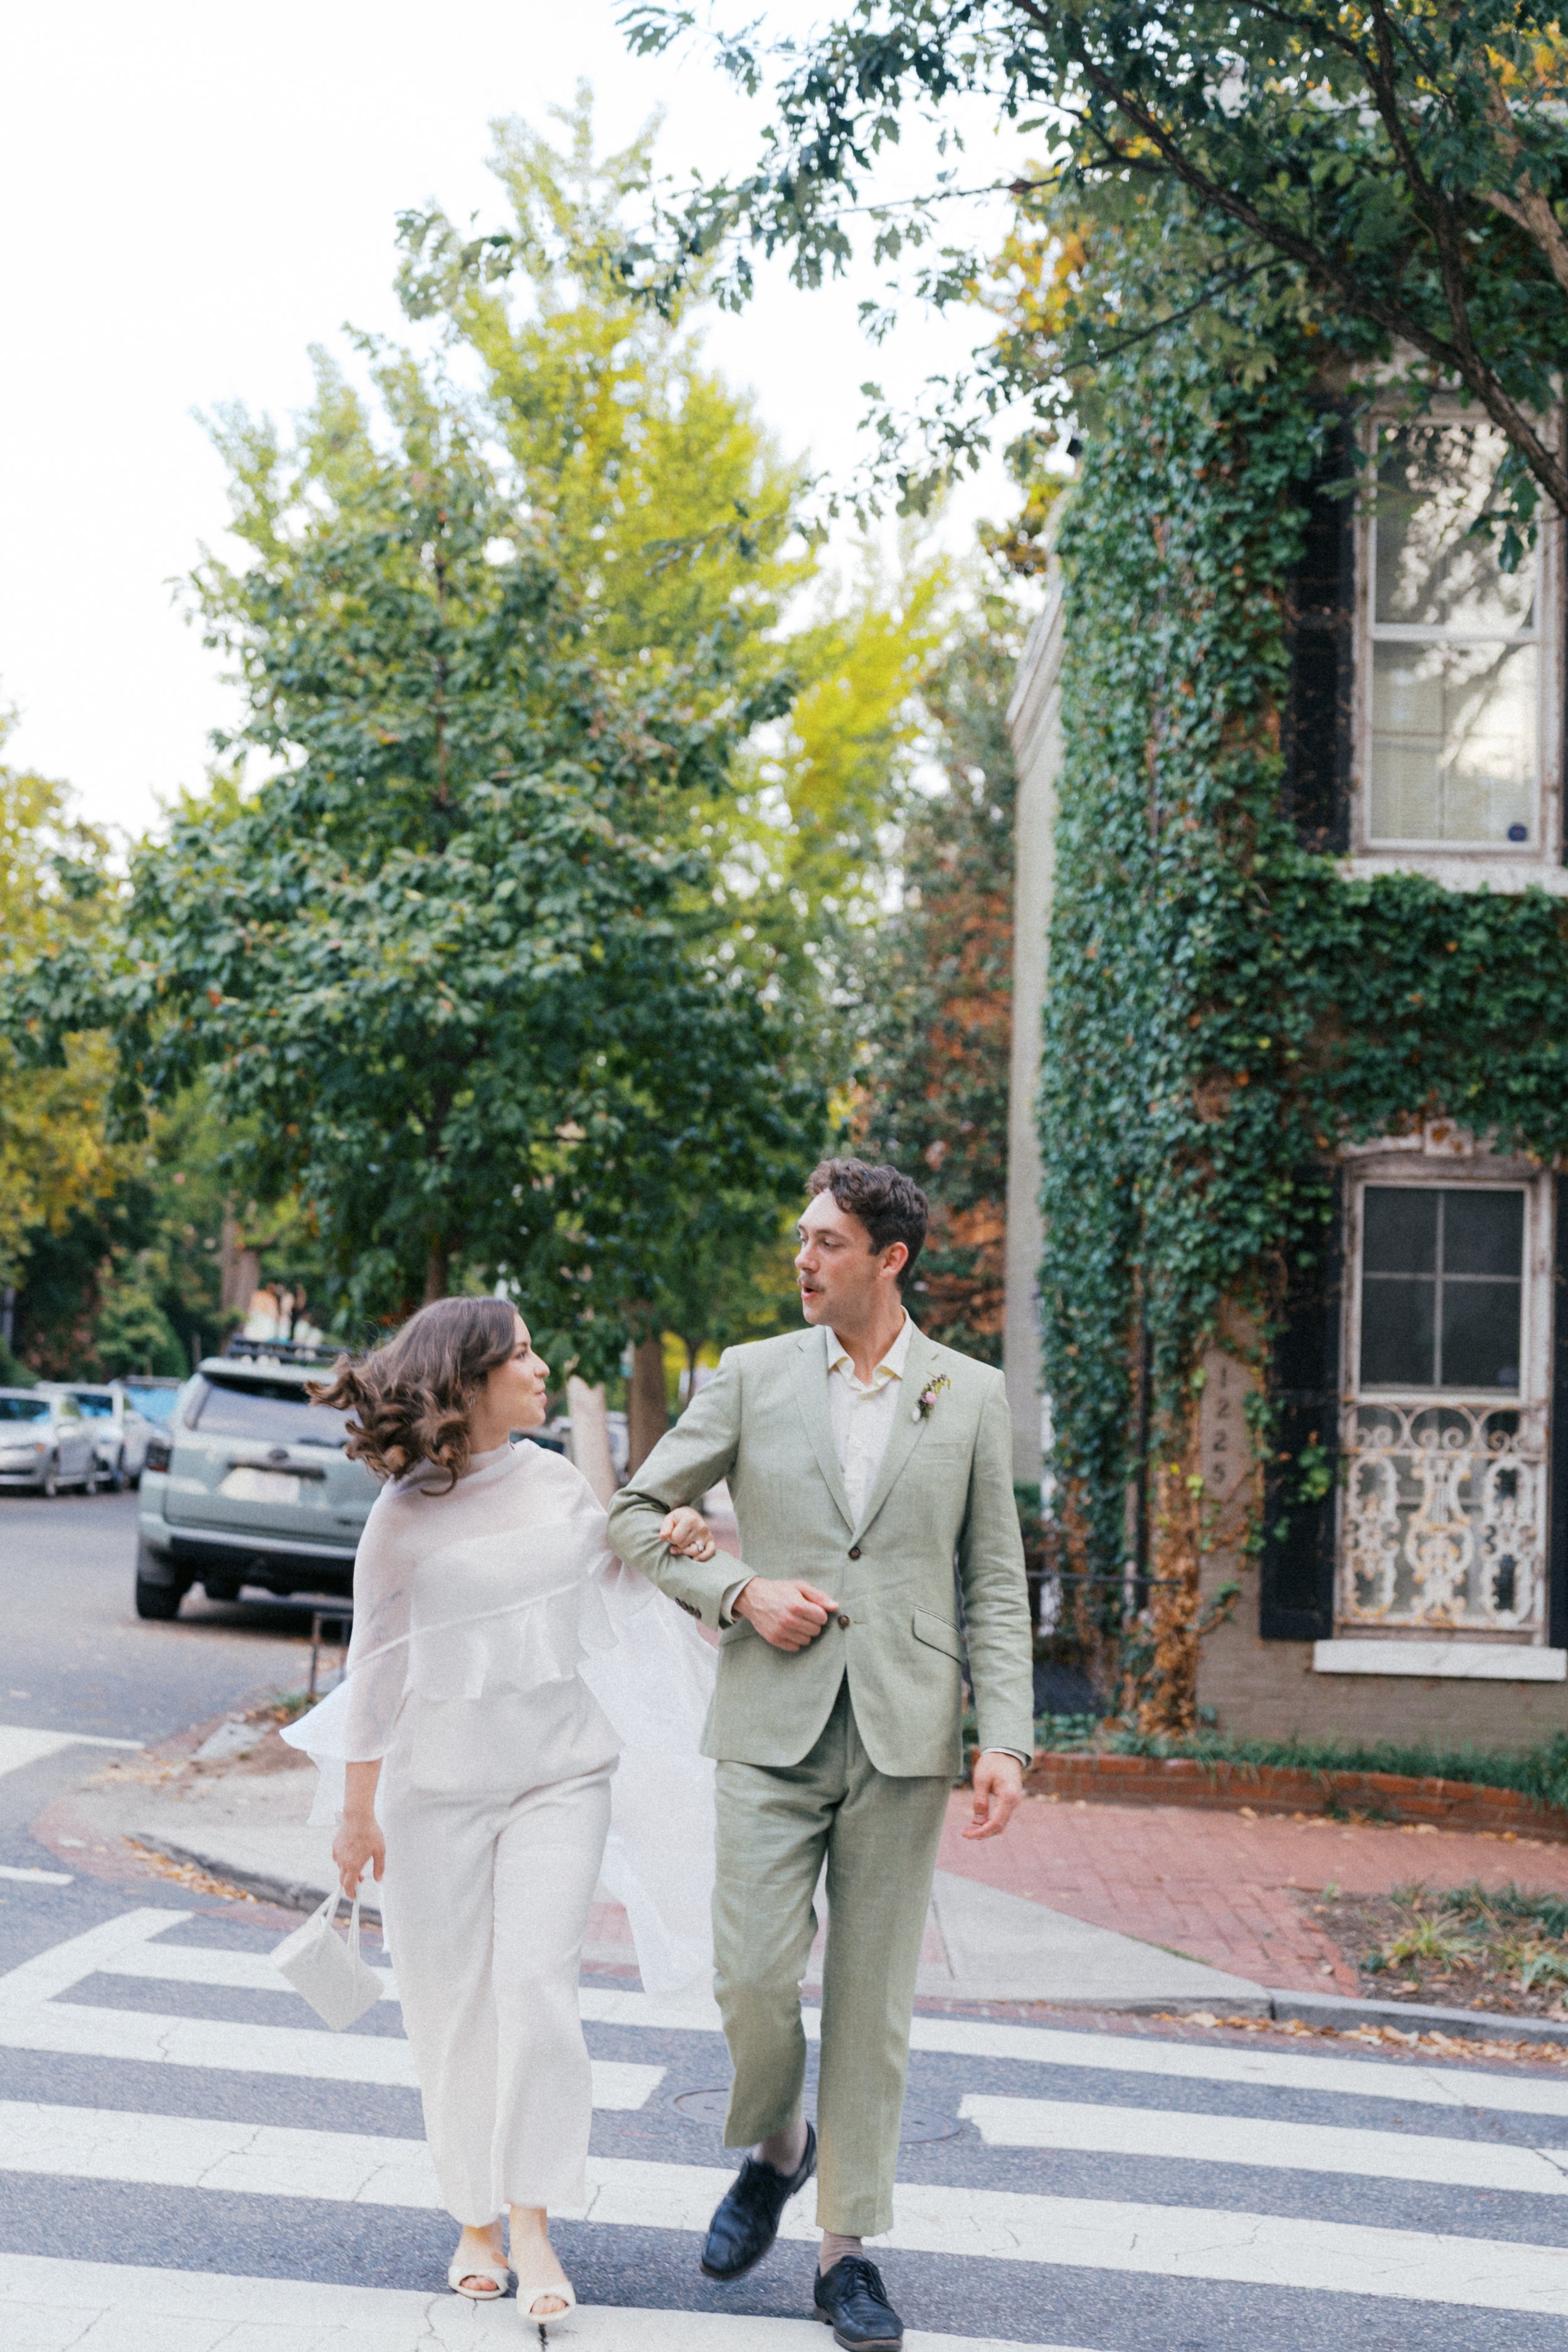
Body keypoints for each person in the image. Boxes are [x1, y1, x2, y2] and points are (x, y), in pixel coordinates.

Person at [607, 1159, 1034, 2351]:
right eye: (801, 1237)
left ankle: (846, 2253)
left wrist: (1004, 1734)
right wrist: (739, 1589)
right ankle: (779, 2144)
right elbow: (636, 1511)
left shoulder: (971, 1393)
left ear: (888, 1260)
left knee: (871, 2003)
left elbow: (994, 1581)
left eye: (828, 1242)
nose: (803, 1258)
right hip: (770, 1718)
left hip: (905, 1727)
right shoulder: (748, 1375)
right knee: (750, 1975)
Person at [283, 1296, 719, 2328]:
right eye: (521, 1355)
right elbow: (375, 1677)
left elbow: (616, 1579)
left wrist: (677, 1535)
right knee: (449, 2002)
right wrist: (357, 1816)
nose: (540, 1367)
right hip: (432, 1796)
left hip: (558, 1776)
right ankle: (471, 2216)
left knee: (536, 1985)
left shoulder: (559, 1479)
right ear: (469, 1384)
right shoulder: (399, 1524)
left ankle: (531, 2217)